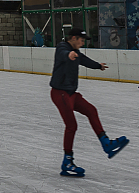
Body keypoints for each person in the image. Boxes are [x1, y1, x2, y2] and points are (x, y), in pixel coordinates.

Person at [50, 28, 129, 177]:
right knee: (71, 125)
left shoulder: (77, 52)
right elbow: (62, 54)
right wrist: (69, 54)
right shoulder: (63, 47)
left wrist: (98, 66)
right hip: (60, 93)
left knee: (91, 110)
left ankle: (106, 143)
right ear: (73, 38)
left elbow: (84, 60)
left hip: (71, 93)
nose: (81, 43)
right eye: (80, 40)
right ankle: (67, 161)